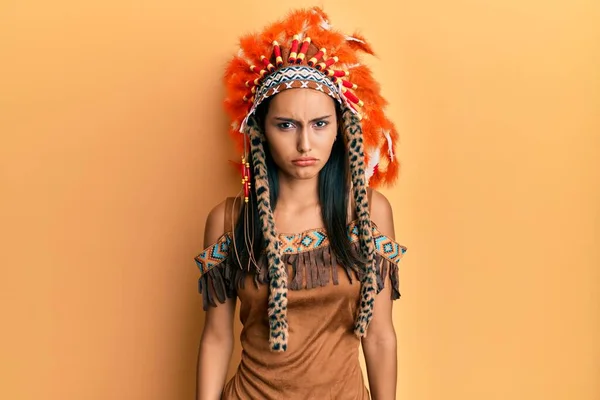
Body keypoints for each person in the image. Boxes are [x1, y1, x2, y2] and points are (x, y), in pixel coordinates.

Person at [194, 7, 407, 400]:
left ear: (341, 130)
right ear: (260, 132)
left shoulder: (369, 214)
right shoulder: (228, 221)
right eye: (286, 125)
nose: (305, 145)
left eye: (320, 124)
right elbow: (216, 338)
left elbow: (379, 336)